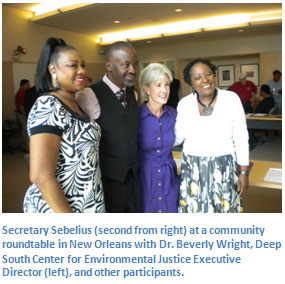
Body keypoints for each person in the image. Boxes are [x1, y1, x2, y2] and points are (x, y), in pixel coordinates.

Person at [23, 37, 105, 213]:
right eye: (73, 65)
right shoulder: (48, 105)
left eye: (83, 65)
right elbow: (40, 176)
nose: (82, 71)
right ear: (53, 69)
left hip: (86, 204)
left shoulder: (76, 104)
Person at [175, 58, 249, 213]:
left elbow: (241, 137)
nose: (205, 80)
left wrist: (243, 172)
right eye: (197, 77)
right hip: (193, 168)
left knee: (225, 211)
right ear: (191, 83)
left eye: (208, 74)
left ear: (214, 75)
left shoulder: (231, 99)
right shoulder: (184, 104)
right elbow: (178, 137)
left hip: (225, 167)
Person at [76, 41, 141, 213]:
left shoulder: (133, 93)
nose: (133, 70)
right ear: (109, 66)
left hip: (134, 177)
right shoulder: (87, 95)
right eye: (126, 65)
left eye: (135, 64)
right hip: (108, 180)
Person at [138, 63, 180, 213]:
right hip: (145, 179)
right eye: (158, 85)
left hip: (169, 178)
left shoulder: (174, 115)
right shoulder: (136, 117)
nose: (164, 90)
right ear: (146, 89)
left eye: (167, 85)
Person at [15, 79, 30, 151]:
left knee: (23, 131)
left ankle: (24, 147)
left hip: (20, 114)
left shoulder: (21, 92)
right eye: (28, 84)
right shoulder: (21, 92)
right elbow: (21, 106)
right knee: (25, 131)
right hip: (22, 114)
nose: (29, 86)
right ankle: (27, 149)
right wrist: (25, 115)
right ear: (23, 85)